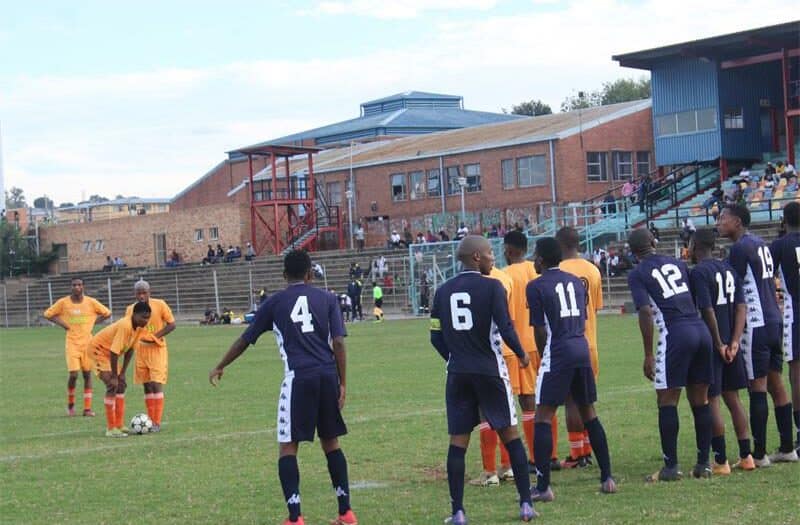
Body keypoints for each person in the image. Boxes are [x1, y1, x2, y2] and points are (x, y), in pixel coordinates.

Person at [209, 250, 357, 525]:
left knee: (288, 446)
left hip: (298, 377)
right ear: (310, 274)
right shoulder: (328, 299)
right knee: (331, 442)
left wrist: (221, 365)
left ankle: (295, 517)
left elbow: (245, 339)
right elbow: (338, 342)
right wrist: (343, 383)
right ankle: (346, 512)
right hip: (327, 376)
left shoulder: (274, 302)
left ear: (284, 275)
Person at [429, 235, 536, 524]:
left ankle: (458, 512)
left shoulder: (442, 291)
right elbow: (506, 327)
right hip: (490, 370)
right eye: (489, 253)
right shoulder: (493, 287)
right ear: (476, 257)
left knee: (458, 442)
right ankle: (526, 504)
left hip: (458, 373)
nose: (493, 258)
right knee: (510, 434)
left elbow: (435, 336)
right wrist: (522, 355)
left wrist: (453, 358)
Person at [527, 238, 616, 501]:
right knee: (589, 412)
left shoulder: (536, 286)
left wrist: (544, 357)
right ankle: (607, 478)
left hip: (558, 350)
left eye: (535, 255)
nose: (533, 260)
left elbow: (540, 329)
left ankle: (543, 487)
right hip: (581, 347)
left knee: (543, 416)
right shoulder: (576, 282)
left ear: (541, 259)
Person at [627, 228, 714, 481]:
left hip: (675, 332)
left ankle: (671, 467)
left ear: (633, 252)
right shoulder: (678, 263)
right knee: (700, 399)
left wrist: (648, 354)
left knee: (667, 398)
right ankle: (703, 464)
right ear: (653, 242)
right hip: (700, 330)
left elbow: (645, 311)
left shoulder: (637, 273)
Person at [717, 204, 797, 464]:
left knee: (757, 385)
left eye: (723, 218)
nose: (719, 222)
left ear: (737, 222)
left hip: (756, 321)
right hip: (775, 318)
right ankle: (787, 448)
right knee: (777, 383)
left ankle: (759, 454)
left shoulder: (740, 248)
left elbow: (733, 285)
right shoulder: (761, 243)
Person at [688, 229, 755, 473]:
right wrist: (735, 341)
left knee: (713, 399)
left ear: (695, 245)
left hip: (712, 343)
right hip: (731, 342)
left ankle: (721, 459)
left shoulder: (699, 272)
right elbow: (741, 307)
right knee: (733, 398)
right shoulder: (729, 269)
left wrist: (719, 343)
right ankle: (747, 456)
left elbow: (707, 310)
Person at [502, 231, 562, 473]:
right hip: (545, 342)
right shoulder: (538, 270)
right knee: (546, 400)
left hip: (519, 346)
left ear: (509, 250)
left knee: (527, 402)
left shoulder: (504, 275)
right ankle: (552, 455)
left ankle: (537, 459)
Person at [557, 227, 604, 468]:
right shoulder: (593, 269)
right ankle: (586, 450)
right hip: (590, 343)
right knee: (586, 400)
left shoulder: (557, 270)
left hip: (568, 342)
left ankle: (578, 455)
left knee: (570, 401)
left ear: (559, 245)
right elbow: (594, 307)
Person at [470, 260, 516, 486]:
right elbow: (509, 319)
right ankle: (508, 466)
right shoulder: (505, 279)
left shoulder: (476, 283)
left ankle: (490, 472)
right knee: (505, 410)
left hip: (486, 353)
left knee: (485, 412)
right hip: (507, 349)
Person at [44, 277, 112, 416]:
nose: (77, 287)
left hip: (88, 343)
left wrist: (93, 322)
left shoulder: (91, 302)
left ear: (83, 287)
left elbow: (107, 313)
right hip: (72, 343)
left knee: (87, 374)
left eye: (79, 285)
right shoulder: (63, 302)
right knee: (74, 374)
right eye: (74, 285)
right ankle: (71, 405)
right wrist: (64, 325)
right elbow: (48, 314)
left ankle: (87, 409)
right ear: (71, 287)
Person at [90, 301, 151, 437]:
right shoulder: (125, 325)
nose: (146, 321)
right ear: (134, 315)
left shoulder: (140, 327)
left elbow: (130, 350)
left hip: (110, 354)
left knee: (121, 385)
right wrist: (114, 376)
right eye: (143, 317)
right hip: (99, 350)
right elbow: (114, 352)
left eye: (148, 318)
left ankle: (119, 425)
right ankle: (111, 429)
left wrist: (122, 373)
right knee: (112, 385)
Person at [124, 280, 176, 433]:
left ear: (149, 292)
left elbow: (172, 325)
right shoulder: (130, 309)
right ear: (135, 294)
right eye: (138, 293)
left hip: (157, 350)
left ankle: (156, 422)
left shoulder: (159, 305)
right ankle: (150, 421)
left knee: (156, 383)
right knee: (146, 386)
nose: (141, 296)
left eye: (144, 293)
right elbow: (128, 329)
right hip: (140, 351)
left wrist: (155, 337)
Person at [770, 202, 800, 455]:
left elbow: (764, 273)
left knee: (796, 371)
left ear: (784, 220)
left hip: (796, 311)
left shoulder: (781, 245)